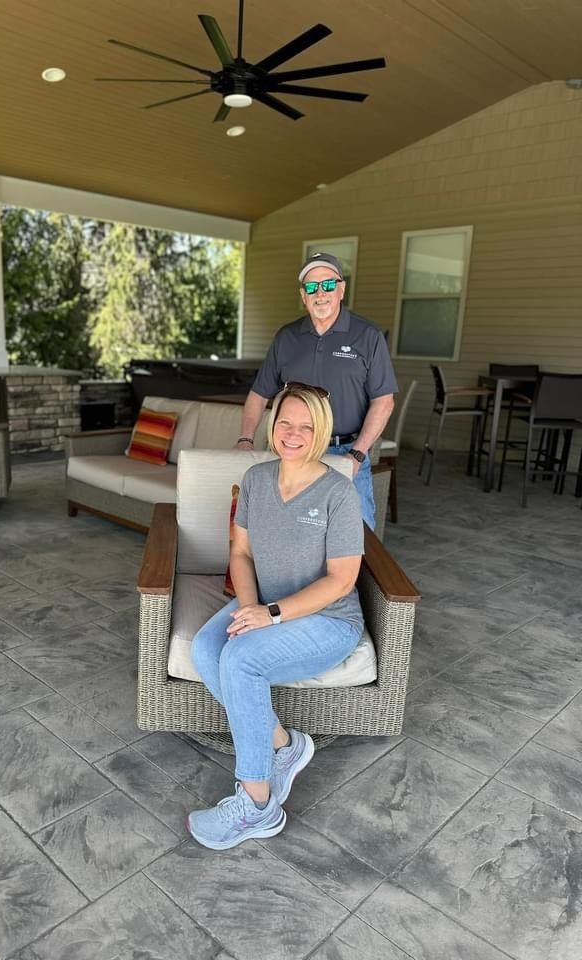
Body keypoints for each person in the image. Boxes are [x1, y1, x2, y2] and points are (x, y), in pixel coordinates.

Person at [187, 382, 364, 850]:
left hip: (328, 620)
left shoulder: (338, 493)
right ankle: (284, 746)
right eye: (285, 421)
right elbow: (240, 552)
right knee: (207, 647)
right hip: (265, 602)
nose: (293, 432)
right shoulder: (257, 480)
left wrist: (271, 614)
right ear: (272, 424)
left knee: (240, 659)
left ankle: (258, 803)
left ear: (321, 431)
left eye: (306, 425)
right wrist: (250, 607)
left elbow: (342, 581)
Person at [236, 251, 397, 528]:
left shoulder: (367, 336)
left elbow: (384, 401)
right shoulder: (287, 337)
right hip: (292, 451)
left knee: (357, 532)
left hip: (345, 451)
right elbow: (258, 394)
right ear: (303, 295)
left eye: (328, 285)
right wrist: (245, 439)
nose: (320, 293)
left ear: (341, 289)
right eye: (311, 287)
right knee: (287, 528)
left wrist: (357, 454)